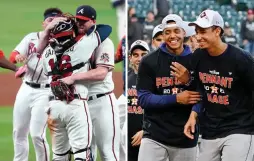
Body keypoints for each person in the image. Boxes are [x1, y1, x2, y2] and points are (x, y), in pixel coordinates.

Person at [171, 9, 254, 161]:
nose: (198, 36)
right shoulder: (198, 57)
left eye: (203, 31)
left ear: (217, 31)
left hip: (240, 129)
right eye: (196, 31)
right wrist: (193, 114)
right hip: (210, 130)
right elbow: (200, 90)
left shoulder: (242, 59)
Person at [42, 18, 112, 161]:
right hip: (75, 105)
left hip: (53, 109)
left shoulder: (46, 52)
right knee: (82, 154)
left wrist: (49, 28)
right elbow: (106, 29)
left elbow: (45, 72)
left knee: (59, 156)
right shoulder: (82, 46)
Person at [136, 14, 201, 161]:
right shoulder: (149, 61)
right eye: (167, 32)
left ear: (184, 32)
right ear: (163, 35)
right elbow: (143, 99)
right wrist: (176, 98)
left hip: (186, 137)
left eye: (177, 31)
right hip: (154, 136)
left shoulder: (196, 61)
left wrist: (188, 80)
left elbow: (201, 95)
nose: (173, 36)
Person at [61, 5, 120, 161]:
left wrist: (74, 78)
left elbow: (101, 73)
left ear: (93, 21)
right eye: (78, 20)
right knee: (86, 152)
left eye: (84, 21)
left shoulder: (104, 43)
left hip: (103, 102)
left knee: (108, 152)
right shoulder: (74, 43)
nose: (80, 24)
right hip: (82, 103)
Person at [9, 8, 63, 161]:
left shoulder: (62, 43)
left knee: (37, 135)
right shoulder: (31, 38)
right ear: (43, 23)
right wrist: (18, 56)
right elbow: (13, 55)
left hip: (45, 92)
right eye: (49, 20)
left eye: (56, 21)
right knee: (18, 132)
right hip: (25, 88)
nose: (52, 23)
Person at [128, 40, 149, 161]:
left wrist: (146, 131)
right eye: (136, 55)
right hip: (128, 142)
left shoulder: (155, 81)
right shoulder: (127, 79)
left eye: (144, 54)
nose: (140, 59)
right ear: (130, 58)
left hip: (149, 140)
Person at [115, 36, 127, 161]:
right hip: (125, 94)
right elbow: (118, 56)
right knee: (113, 131)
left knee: (125, 134)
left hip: (138, 94)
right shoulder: (124, 40)